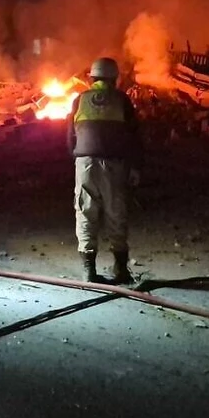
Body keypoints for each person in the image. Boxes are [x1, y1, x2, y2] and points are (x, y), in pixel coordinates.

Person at [67, 57, 143, 284]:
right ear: (114, 79)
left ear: (91, 78)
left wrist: (78, 158)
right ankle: (120, 269)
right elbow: (134, 137)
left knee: (85, 212)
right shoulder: (122, 100)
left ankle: (89, 271)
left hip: (85, 163)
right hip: (114, 164)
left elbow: (69, 136)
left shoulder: (79, 99)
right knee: (116, 213)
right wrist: (135, 167)